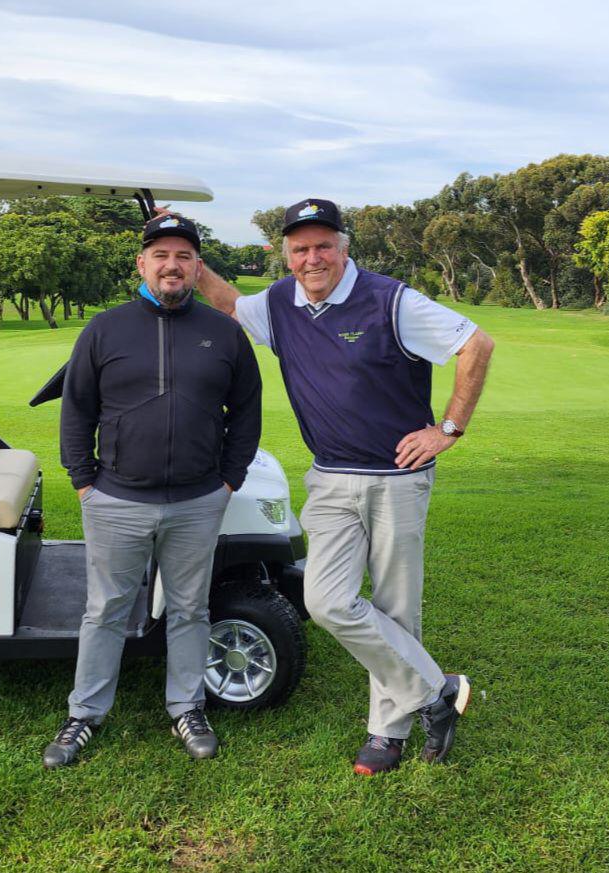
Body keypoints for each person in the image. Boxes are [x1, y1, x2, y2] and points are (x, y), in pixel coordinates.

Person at [197, 198, 495, 775]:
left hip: (397, 477)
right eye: (300, 248)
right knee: (327, 600)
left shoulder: (391, 299)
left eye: (323, 245)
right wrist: (180, 243)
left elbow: (475, 344)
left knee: (394, 606)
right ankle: (438, 691)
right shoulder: (280, 303)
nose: (313, 258)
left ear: (344, 246)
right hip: (330, 476)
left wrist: (448, 428)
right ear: (286, 255)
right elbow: (228, 303)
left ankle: (387, 734)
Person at [43, 213, 262, 769]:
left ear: (196, 267)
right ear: (142, 264)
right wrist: (84, 480)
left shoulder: (225, 332)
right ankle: (85, 714)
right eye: (161, 255)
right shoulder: (105, 328)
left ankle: (187, 707)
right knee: (106, 609)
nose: (172, 265)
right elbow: (77, 410)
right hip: (115, 499)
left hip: (197, 501)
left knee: (190, 608)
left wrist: (228, 479)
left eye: (184, 256)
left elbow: (247, 414)